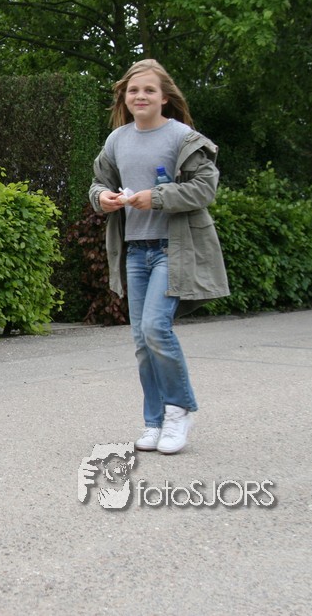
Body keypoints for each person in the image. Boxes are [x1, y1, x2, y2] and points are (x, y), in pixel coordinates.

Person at [88, 59, 229, 455]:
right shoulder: (117, 140)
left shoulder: (183, 137)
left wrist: (158, 197)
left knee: (155, 329)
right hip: (135, 251)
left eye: (149, 90)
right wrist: (102, 197)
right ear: (124, 97)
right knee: (141, 341)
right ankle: (153, 422)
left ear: (164, 97)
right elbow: (98, 183)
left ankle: (179, 411)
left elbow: (205, 188)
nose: (141, 96)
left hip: (172, 249)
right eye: (133, 90)